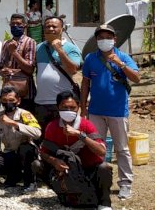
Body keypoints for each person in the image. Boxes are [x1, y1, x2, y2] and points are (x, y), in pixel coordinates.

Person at [81, 24, 141, 200]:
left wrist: (120, 64)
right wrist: (83, 107)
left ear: (115, 39)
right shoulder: (91, 58)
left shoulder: (123, 57)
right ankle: (95, 181)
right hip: (95, 112)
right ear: (96, 40)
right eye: (100, 37)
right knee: (95, 148)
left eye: (108, 37)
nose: (104, 40)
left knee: (121, 149)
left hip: (117, 111)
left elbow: (136, 78)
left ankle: (125, 184)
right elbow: (85, 84)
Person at [33, 91, 112, 210]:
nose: (68, 110)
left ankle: (104, 203)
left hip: (87, 169)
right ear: (58, 107)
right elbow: (43, 152)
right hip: (65, 169)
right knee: (37, 165)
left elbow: (102, 151)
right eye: (64, 107)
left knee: (104, 168)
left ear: (78, 107)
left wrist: (80, 135)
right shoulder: (52, 126)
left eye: (72, 107)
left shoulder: (86, 125)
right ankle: (63, 194)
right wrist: (55, 162)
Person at [0, 85, 41, 193]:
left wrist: (14, 124)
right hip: (9, 153)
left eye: (11, 100)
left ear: (18, 101)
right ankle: (14, 176)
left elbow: (37, 133)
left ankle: (30, 182)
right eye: (4, 100)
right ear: (0, 101)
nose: (8, 103)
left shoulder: (25, 114)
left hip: (26, 152)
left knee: (26, 149)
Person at [34, 16, 82, 131]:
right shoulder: (39, 47)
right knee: (42, 136)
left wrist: (60, 50)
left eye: (54, 26)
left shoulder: (71, 48)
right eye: (47, 26)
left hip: (62, 103)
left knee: (62, 135)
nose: (50, 29)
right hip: (40, 102)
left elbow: (73, 70)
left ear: (62, 29)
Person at [0, 14, 37, 114]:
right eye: (13, 24)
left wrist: (14, 52)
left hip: (25, 92)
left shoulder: (30, 42)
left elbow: (29, 69)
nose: (15, 26)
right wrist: (3, 71)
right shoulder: (6, 43)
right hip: (9, 92)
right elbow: (1, 66)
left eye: (18, 24)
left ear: (25, 26)